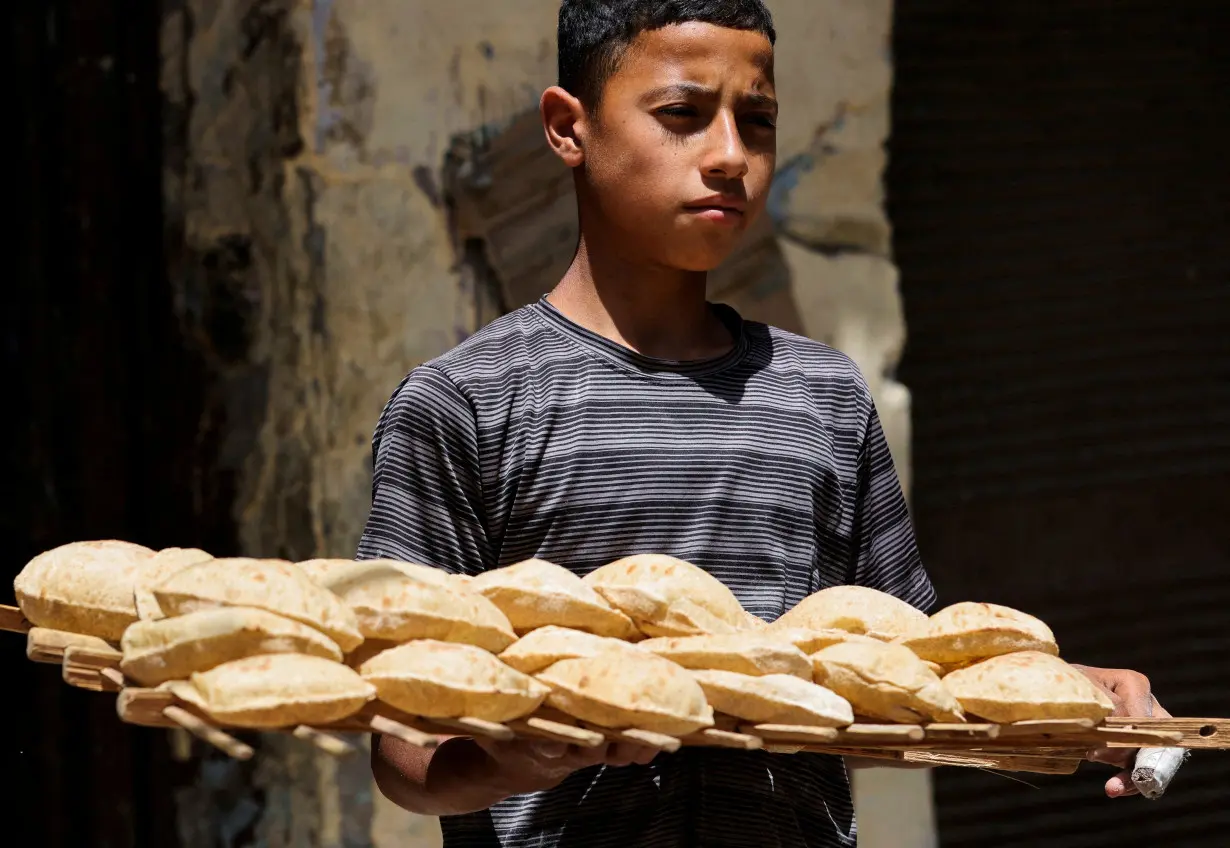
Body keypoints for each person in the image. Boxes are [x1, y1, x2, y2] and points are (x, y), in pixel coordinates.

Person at [358, 2, 1166, 845]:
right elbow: (404, 749)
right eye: (681, 115)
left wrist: (1074, 692)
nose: (730, 156)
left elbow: (910, 677)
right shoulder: (466, 403)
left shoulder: (821, 395)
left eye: (758, 120)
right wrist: (527, 755)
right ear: (569, 128)